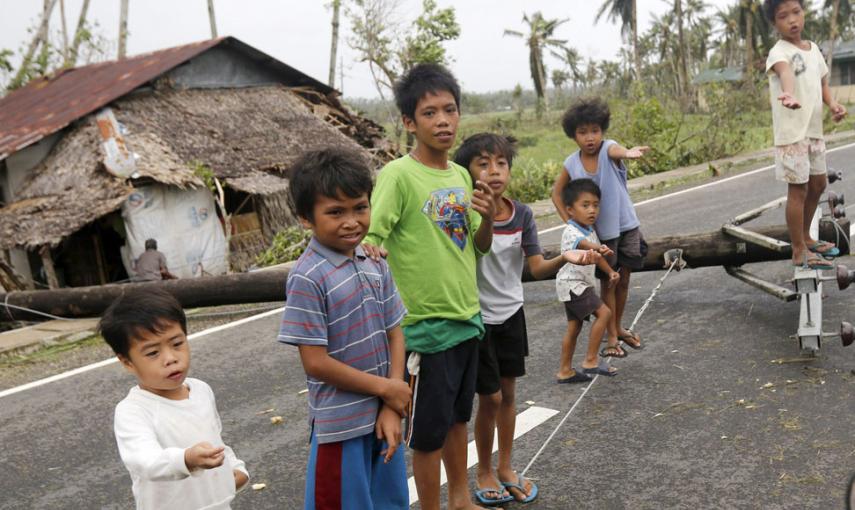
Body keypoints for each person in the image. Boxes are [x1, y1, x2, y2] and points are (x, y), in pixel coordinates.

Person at [363, 63, 496, 510]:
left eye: (450, 110)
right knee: (428, 434)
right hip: (424, 328)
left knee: (459, 420)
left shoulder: (460, 176)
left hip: (466, 318)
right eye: (429, 113)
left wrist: (490, 216)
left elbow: (476, 247)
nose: (443, 121)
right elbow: (372, 239)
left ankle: (460, 500)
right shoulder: (398, 176)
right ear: (408, 122)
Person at [453, 133, 599, 505]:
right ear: (467, 172)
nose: (494, 171)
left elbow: (535, 268)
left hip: (511, 314)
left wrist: (565, 258)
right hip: (478, 318)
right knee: (490, 398)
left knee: (509, 394)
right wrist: (484, 217)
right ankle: (483, 471)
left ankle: (505, 467)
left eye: (501, 163)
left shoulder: (522, 215)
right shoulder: (464, 214)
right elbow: (476, 249)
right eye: (483, 164)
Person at [277, 148, 411, 510]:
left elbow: (395, 331)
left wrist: (392, 402)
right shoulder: (307, 276)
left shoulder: (374, 261)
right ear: (306, 218)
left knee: (391, 502)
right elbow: (316, 363)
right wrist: (388, 388)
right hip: (340, 426)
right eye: (335, 212)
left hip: (383, 415)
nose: (351, 221)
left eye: (359, 207)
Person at [99, 288, 249, 509]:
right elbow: (145, 461)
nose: (170, 358)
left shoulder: (200, 390)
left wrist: (236, 468)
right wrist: (186, 459)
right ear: (127, 362)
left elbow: (215, 440)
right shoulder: (133, 411)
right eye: (152, 353)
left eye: (177, 344)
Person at [551, 97, 649, 354]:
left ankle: (617, 327)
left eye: (594, 131)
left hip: (626, 224)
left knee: (624, 279)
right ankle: (611, 338)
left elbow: (617, 151)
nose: (590, 137)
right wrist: (571, 224)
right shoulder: (571, 163)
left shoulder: (609, 149)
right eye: (582, 132)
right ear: (573, 136)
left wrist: (629, 153)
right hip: (600, 235)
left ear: (602, 131)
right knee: (609, 282)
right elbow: (556, 193)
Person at [763, 0, 847, 269]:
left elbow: (821, 81)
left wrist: (832, 104)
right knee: (798, 190)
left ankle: (807, 238)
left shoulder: (813, 50)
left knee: (819, 184)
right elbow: (786, 73)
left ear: (804, 13)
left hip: (813, 131)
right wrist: (787, 93)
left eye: (796, 12)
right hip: (792, 134)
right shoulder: (779, 52)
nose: (792, 20)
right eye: (783, 16)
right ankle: (798, 249)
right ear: (774, 23)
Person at [555, 179, 622, 381]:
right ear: (570, 209)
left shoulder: (590, 230)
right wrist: (598, 248)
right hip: (573, 283)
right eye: (585, 205)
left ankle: (564, 371)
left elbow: (596, 256)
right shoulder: (572, 231)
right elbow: (584, 246)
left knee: (574, 328)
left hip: (576, 284)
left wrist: (610, 271)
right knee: (605, 313)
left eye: (595, 205)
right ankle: (590, 360)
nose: (592, 210)